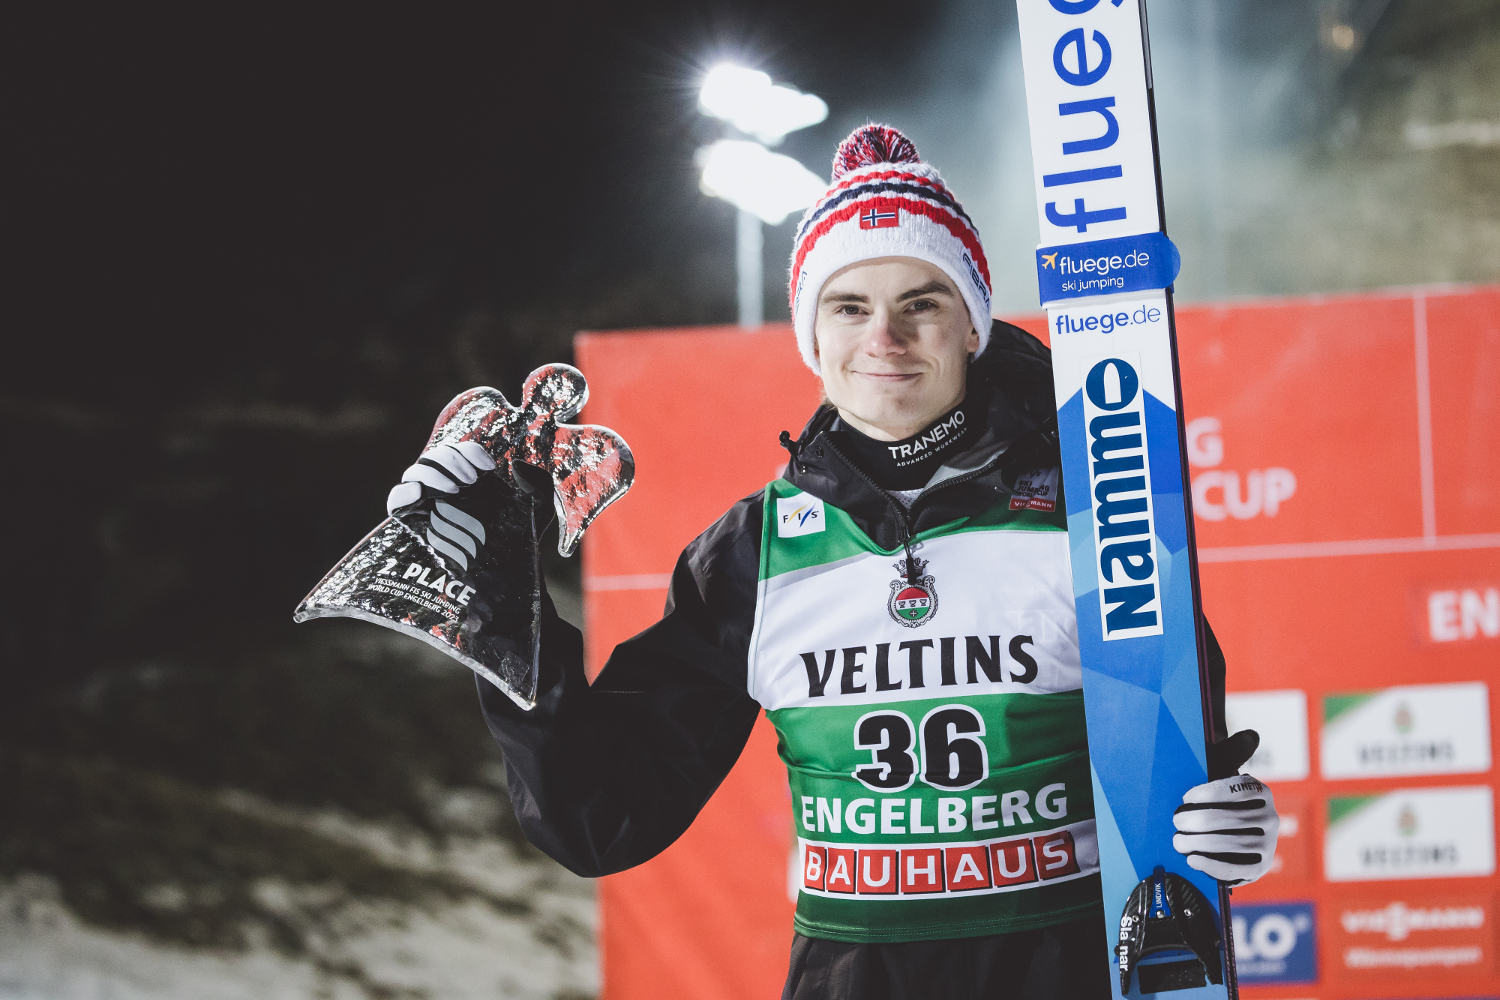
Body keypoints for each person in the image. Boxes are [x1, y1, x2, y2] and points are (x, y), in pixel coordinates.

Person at [387, 124, 1278, 999]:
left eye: (921, 304)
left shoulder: (1098, 511)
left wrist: (1227, 823)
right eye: (849, 307)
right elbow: (600, 818)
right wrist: (502, 612)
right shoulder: (749, 555)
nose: (884, 339)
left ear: (972, 326)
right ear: (811, 337)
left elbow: (1184, 765)